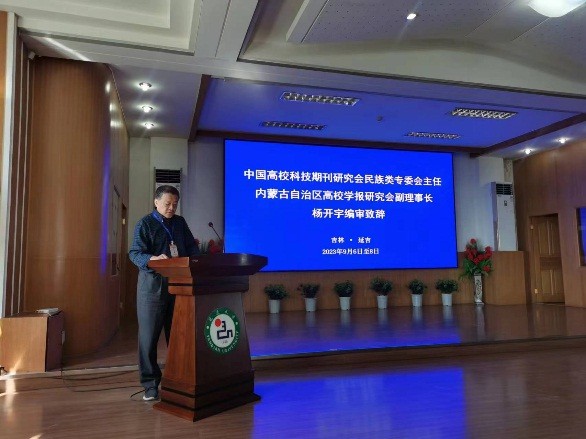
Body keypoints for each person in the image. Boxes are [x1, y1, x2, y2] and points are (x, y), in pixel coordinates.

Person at [128, 185, 199, 401]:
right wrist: (152, 259)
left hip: (179, 286)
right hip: (152, 288)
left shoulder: (180, 222)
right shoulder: (145, 224)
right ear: (156, 202)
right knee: (148, 338)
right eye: (167, 204)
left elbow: (191, 247)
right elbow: (134, 253)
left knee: (178, 336)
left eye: (175, 204)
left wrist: (197, 260)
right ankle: (150, 384)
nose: (171, 208)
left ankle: (179, 378)